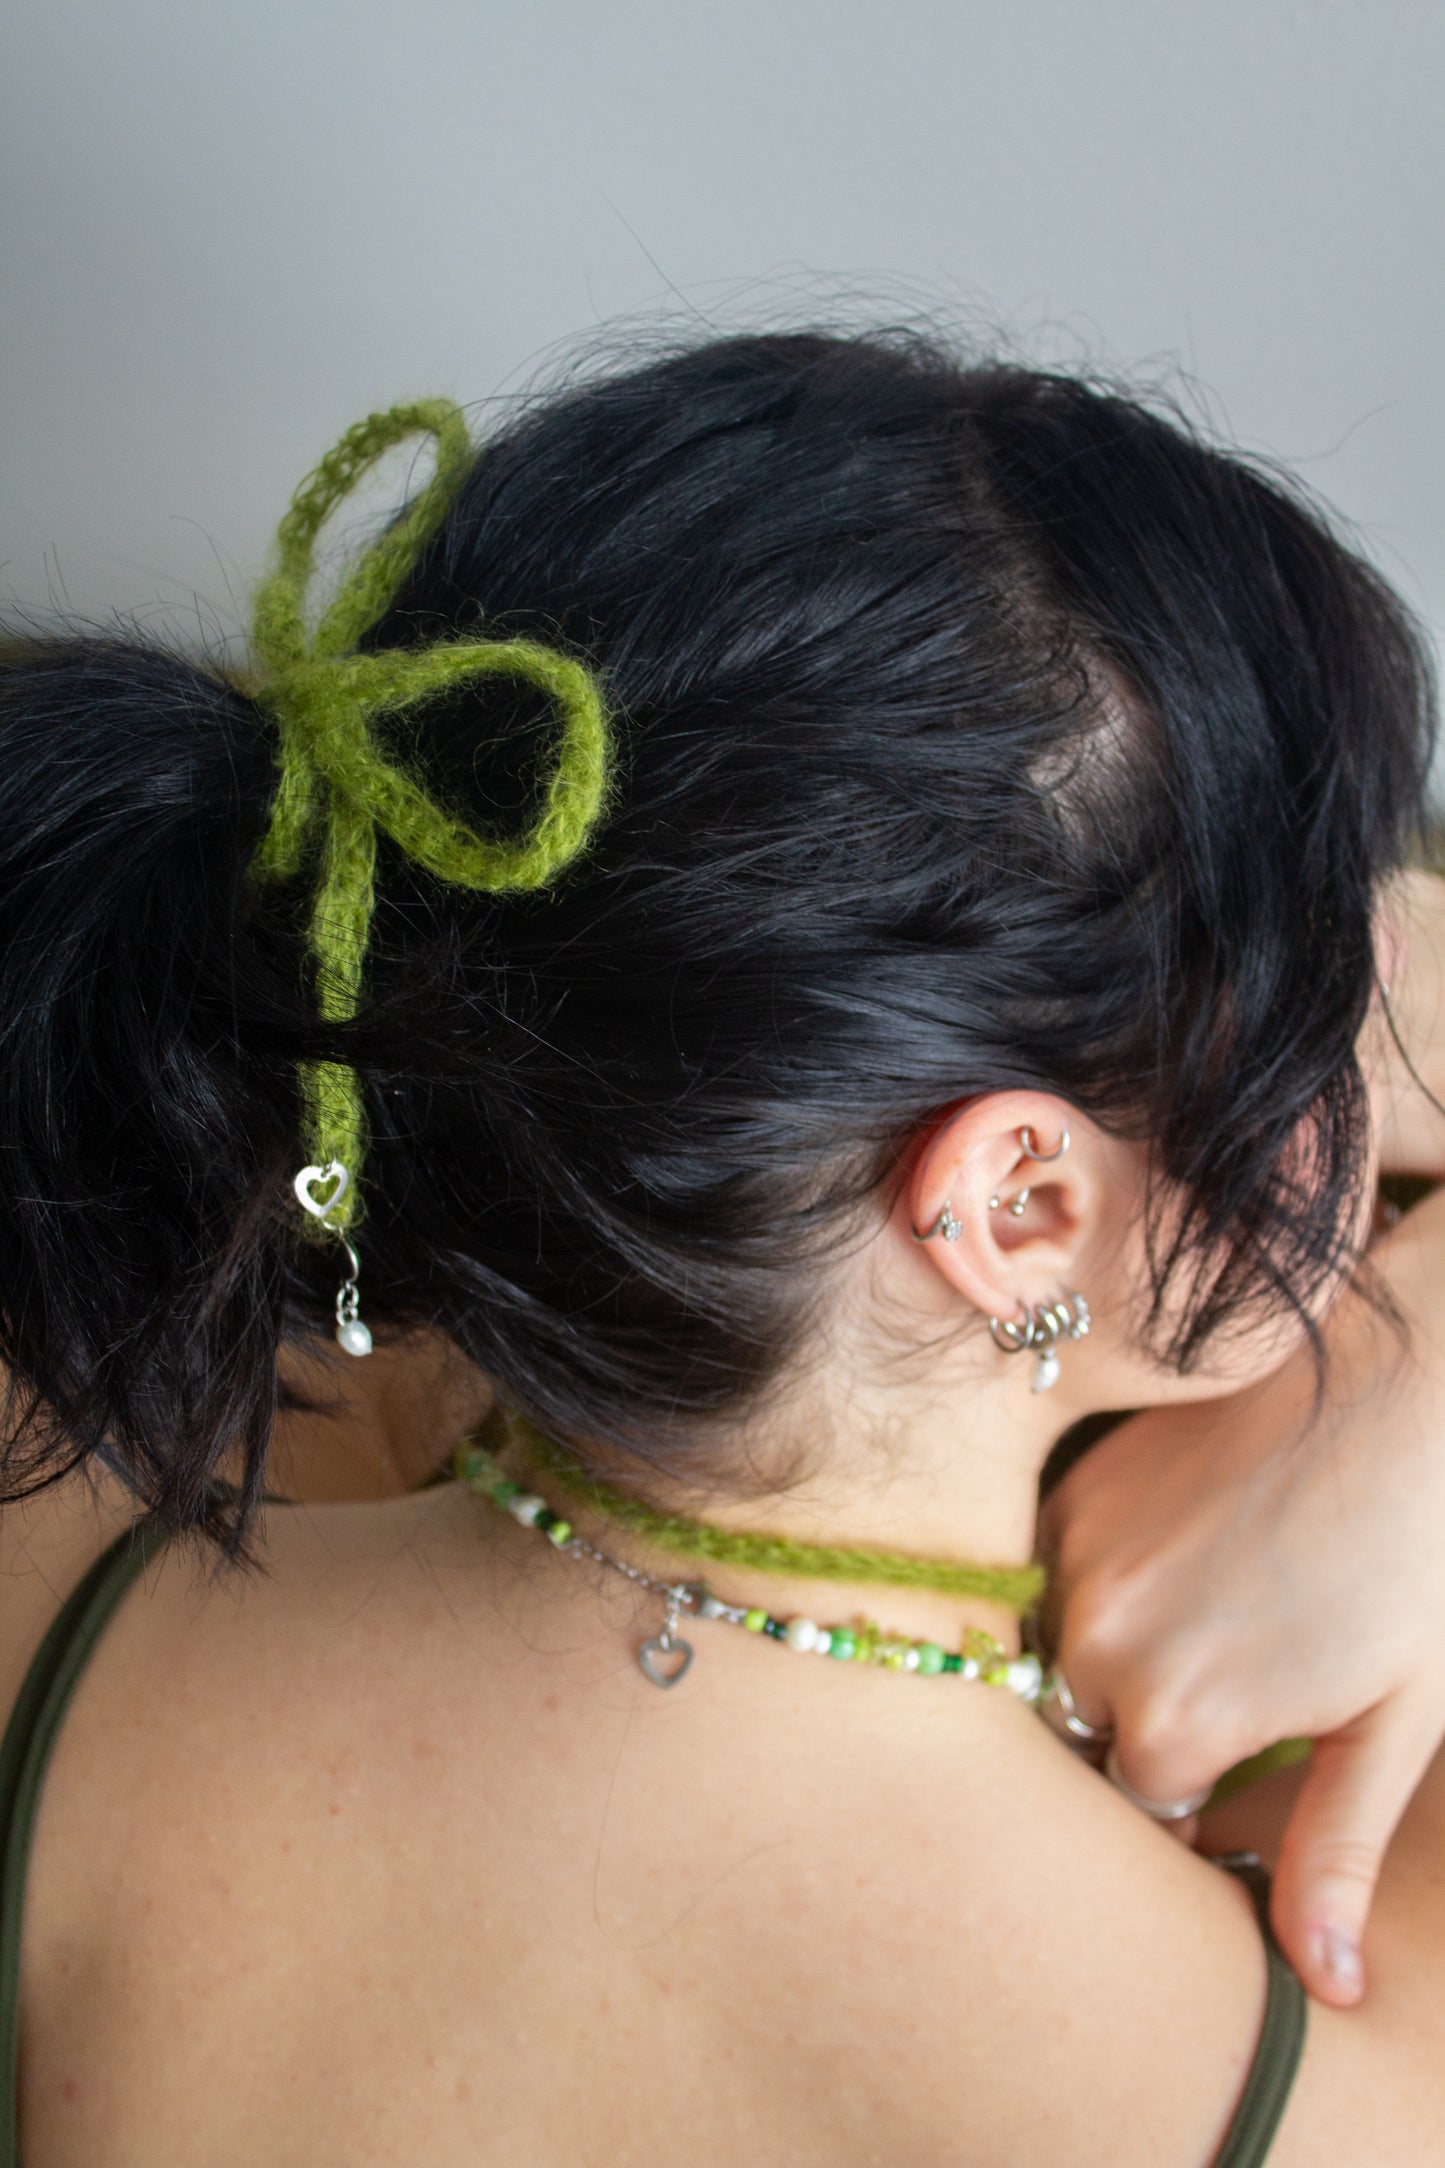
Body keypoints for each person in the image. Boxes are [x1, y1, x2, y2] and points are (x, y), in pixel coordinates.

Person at [0, 329, 1442, 2165]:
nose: (1398, 982)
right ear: (1018, 1207)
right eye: (1337, 961)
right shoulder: (1343, 2068)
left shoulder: (61, 1537)